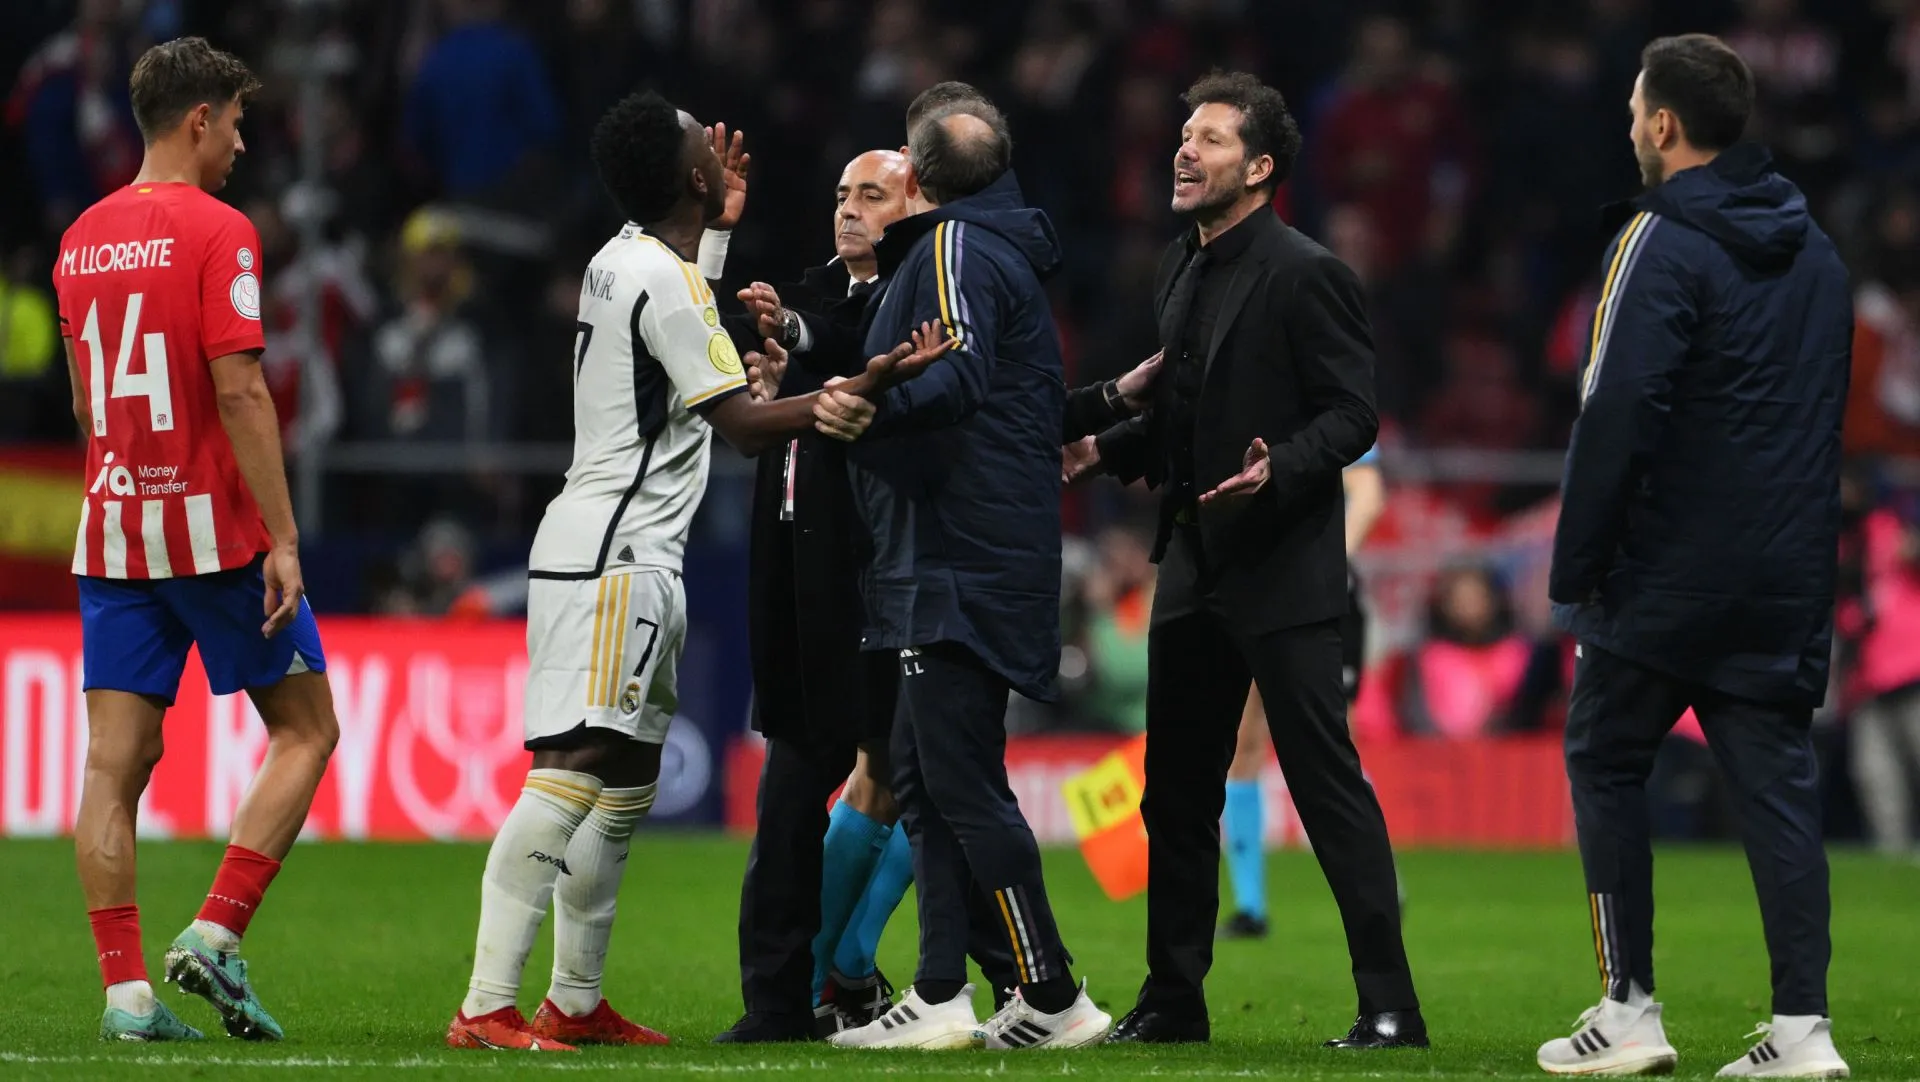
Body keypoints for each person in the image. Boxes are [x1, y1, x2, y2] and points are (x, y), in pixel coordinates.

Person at [445, 89, 948, 1053]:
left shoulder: (622, 261)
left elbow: (683, 329)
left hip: (628, 548)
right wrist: (844, 395)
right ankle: (485, 1003)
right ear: (692, 177)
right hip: (614, 552)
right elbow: (743, 425)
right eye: (698, 143)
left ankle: (576, 1002)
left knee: (628, 776)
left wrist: (714, 240)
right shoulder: (663, 279)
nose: (716, 145)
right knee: (574, 766)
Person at [1070, 71, 1424, 1049]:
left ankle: (1391, 1004)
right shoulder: (1178, 270)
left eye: (1212, 138)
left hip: (1285, 570)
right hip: (1193, 563)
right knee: (1176, 790)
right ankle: (1174, 998)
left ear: (1260, 167)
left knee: (1325, 784)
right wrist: (1110, 445)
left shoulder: (1309, 273)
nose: (1186, 149)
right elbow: (1181, 425)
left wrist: (1284, 470)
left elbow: (1355, 413)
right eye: (1184, 134)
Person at [1534, 35, 1853, 1079]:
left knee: (1606, 757)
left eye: (1635, 108)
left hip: (1665, 572)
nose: (1630, 124)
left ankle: (1628, 1007)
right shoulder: (1817, 253)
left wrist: (1577, 563)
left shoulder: (1657, 242)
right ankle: (1804, 1031)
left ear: (1664, 124)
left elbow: (1615, 408)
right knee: (1776, 786)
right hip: (1784, 572)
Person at [53, 37, 337, 1044]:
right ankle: (216, 930)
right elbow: (241, 384)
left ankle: (126, 991)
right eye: (238, 124)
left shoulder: (79, 238)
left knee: (112, 766)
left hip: (115, 532)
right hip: (214, 534)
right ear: (198, 120)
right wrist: (284, 536)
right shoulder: (222, 231)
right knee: (308, 728)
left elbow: (90, 404)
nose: (244, 145)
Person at [823, 100, 1112, 1051]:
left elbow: (958, 375)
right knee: (931, 777)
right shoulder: (999, 251)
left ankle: (1054, 993)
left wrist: (872, 404)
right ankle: (943, 989)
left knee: (959, 781)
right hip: (977, 552)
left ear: (919, 172)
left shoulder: (952, 250)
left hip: (953, 557)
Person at [1219, 444, 1385, 939]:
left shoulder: (1327, 407)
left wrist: (1323, 564)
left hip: (1322, 597)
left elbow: (1370, 495)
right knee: (1243, 740)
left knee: (1332, 739)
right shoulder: (1241, 410)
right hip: (1256, 591)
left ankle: (1375, 881)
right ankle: (1250, 907)